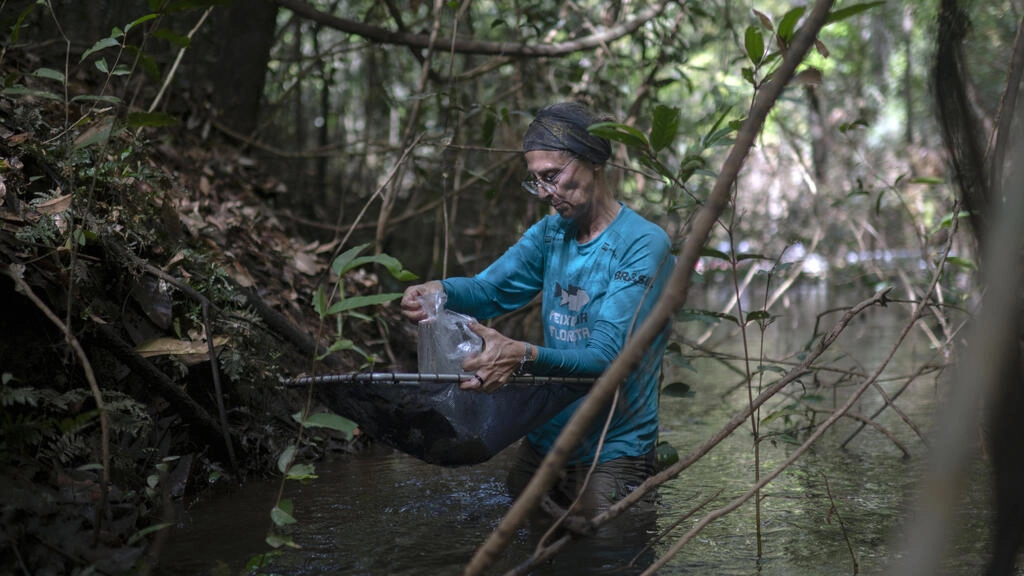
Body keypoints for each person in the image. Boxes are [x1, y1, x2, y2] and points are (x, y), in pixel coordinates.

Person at [400, 101, 673, 516]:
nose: (546, 193)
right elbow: (489, 290)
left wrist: (522, 355)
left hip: (613, 449)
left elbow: (606, 357)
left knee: (608, 555)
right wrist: (439, 291)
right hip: (545, 440)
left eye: (553, 176)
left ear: (594, 161)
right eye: (536, 181)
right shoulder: (551, 233)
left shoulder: (641, 244)